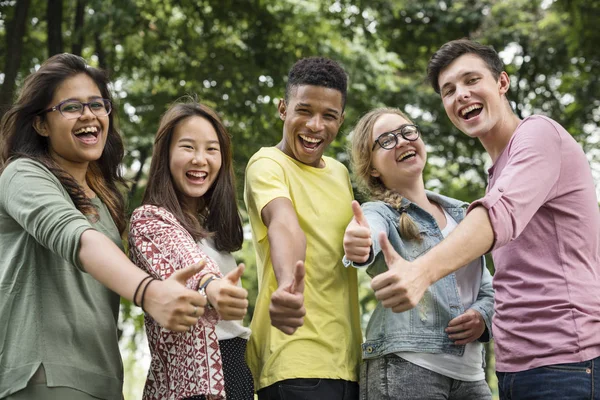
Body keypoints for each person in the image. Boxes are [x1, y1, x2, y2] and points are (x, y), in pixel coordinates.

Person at [348, 39, 600, 399]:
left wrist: (421, 273)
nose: (461, 95)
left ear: (502, 82)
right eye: (449, 90)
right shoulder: (497, 174)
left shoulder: (539, 135)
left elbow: (497, 215)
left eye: (471, 80)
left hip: (564, 361)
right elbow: (508, 281)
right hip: (516, 367)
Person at [0, 54, 208, 400]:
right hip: (45, 375)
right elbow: (77, 238)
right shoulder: (23, 174)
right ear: (40, 125)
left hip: (104, 380)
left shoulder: (103, 198)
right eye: (70, 106)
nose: (89, 115)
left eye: (97, 104)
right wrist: (149, 292)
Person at [342, 107, 494, 399]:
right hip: (406, 368)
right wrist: (359, 242)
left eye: (406, 131)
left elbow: (487, 286)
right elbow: (368, 232)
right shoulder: (379, 213)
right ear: (372, 167)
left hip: (471, 376)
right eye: (385, 140)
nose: (401, 141)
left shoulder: (465, 214)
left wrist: (482, 315)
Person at [244, 57, 362, 399]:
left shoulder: (340, 173)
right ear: (283, 109)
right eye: (304, 110)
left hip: (349, 362)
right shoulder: (267, 163)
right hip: (293, 358)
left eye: (329, 116)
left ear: (341, 120)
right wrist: (287, 287)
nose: (315, 126)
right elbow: (284, 223)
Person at [128, 100, 252, 400]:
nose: (200, 159)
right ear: (165, 155)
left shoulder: (213, 231)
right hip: (189, 383)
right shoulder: (149, 220)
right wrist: (212, 285)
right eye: (187, 147)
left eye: (212, 149)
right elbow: (186, 258)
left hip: (236, 367)